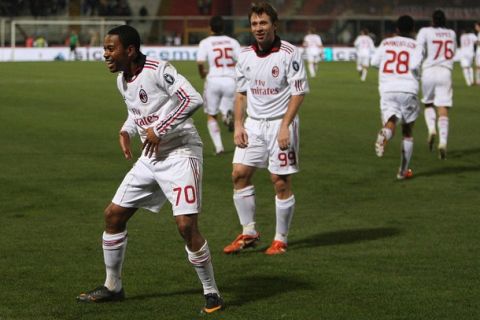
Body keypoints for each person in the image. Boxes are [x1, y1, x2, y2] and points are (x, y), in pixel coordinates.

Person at [76, 25, 223, 314]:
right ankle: (112, 286)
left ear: (129, 50)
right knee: (113, 216)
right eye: (105, 48)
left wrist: (160, 128)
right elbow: (138, 111)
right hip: (150, 156)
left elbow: (192, 98)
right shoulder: (122, 79)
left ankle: (211, 291)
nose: (105, 54)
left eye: (110, 48)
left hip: (181, 153)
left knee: (186, 226)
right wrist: (126, 129)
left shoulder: (158, 69)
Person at [223, 2, 309, 255]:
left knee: (280, 181)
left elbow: (298, 92)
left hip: (280, 123)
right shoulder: (245, 55)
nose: (258, 28)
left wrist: (285, 125)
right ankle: (248, 232)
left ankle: (280, 239)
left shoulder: (289, 52)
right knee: (239, 174)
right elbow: (240, 94)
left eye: (263, 23)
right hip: (253, 124)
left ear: (275, 25)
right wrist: (238, 125)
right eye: (254, 24)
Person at [371, 15, 423, 180]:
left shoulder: (387, 42)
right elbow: (414, 65)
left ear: (397, 29)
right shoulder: (416, 45)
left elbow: (374, 62)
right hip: (408, 88)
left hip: (387, 88)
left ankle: (385, 134)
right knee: (407, 131)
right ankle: (403, 171)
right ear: (413, 29)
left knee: (392, 120)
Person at [196, 15, 241, 155]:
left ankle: (219, 147)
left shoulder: (205, 42)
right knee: (227, 107)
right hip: (230, 80)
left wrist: (202, 73)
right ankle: (226, 113)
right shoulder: (232, 42)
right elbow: (241, 61)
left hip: (213, 79)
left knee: (211, 115)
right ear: (223, 27)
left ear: (210, 28)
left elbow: (200, 62)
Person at [416, 10, 456, 159]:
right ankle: (443, 141)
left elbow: (419, 50)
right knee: (443, 108)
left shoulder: (425, 31)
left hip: (428, 71)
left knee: (428, 104)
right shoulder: (451, 33)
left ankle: (432, 128)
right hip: (445, 71)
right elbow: (453, 52)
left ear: (432, 20)